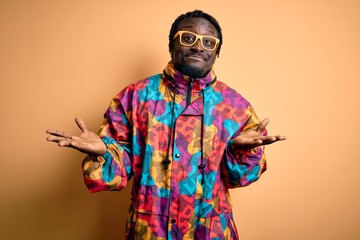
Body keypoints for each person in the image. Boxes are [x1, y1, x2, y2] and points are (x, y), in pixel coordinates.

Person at [46, 10, 286, 240]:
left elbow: (240, 178)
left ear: (216, 52)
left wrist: (241, 152)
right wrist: (105, 153)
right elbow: (115, 174)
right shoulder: (135, 97)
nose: (198, 46)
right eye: (188, 37)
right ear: (171, 45)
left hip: (211, 231)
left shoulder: (235, 106)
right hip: (150, 231)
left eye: (208, 42)